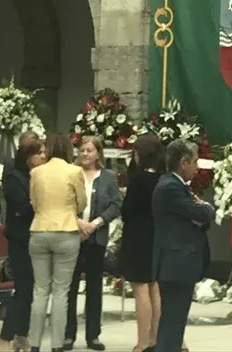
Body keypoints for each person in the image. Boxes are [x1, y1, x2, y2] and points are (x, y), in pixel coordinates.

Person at [152, 139, 214, 352]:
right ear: (183, 163)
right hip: (176, 264)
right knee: (172, 323)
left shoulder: (175, 185)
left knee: (175, 323)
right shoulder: (171, 187)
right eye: (195, 161)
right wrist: (206, 207)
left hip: (179, 264)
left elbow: (198, 218)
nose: (197, 167)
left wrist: (201, 211)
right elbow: (201, 213)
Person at [27, 133, 86, 352]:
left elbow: (33, 202)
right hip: (66, 230)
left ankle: (34, 343)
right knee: (61, 291)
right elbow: (82, 202)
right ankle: (57, 345)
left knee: (40, 289)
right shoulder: (74, 171)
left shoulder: (36, 172)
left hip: (39, 230)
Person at [64, 137, 121, 352]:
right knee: (69, 288)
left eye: (90, 150)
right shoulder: (71, 174)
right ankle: (68, 335)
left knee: (94, 288)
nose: (85, 154)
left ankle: (93, 335)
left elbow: (115, 205)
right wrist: (79, 224)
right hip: (73, 237)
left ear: (98, 154)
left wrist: (95, 224)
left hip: (96, 238)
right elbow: (64, 202)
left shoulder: (108, 177)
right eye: (82, 150)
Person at [0, 135, 46, 352]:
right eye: (39, 153)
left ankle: (21, 334)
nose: (43, 157)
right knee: (23, 289)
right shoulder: (14, 177)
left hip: (38, 236)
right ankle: (5, 337)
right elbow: (22, 207)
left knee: (31, 291)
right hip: (20, 239)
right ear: (28, 156)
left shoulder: (39, 175)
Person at [121, 135, 165, 352]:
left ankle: (142, 342)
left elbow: (127, 211)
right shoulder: (163, 178)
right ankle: (155, 338)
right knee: (154, 287)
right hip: (156, 237)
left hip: (137, 238)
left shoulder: (139, 180)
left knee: (140, 291)